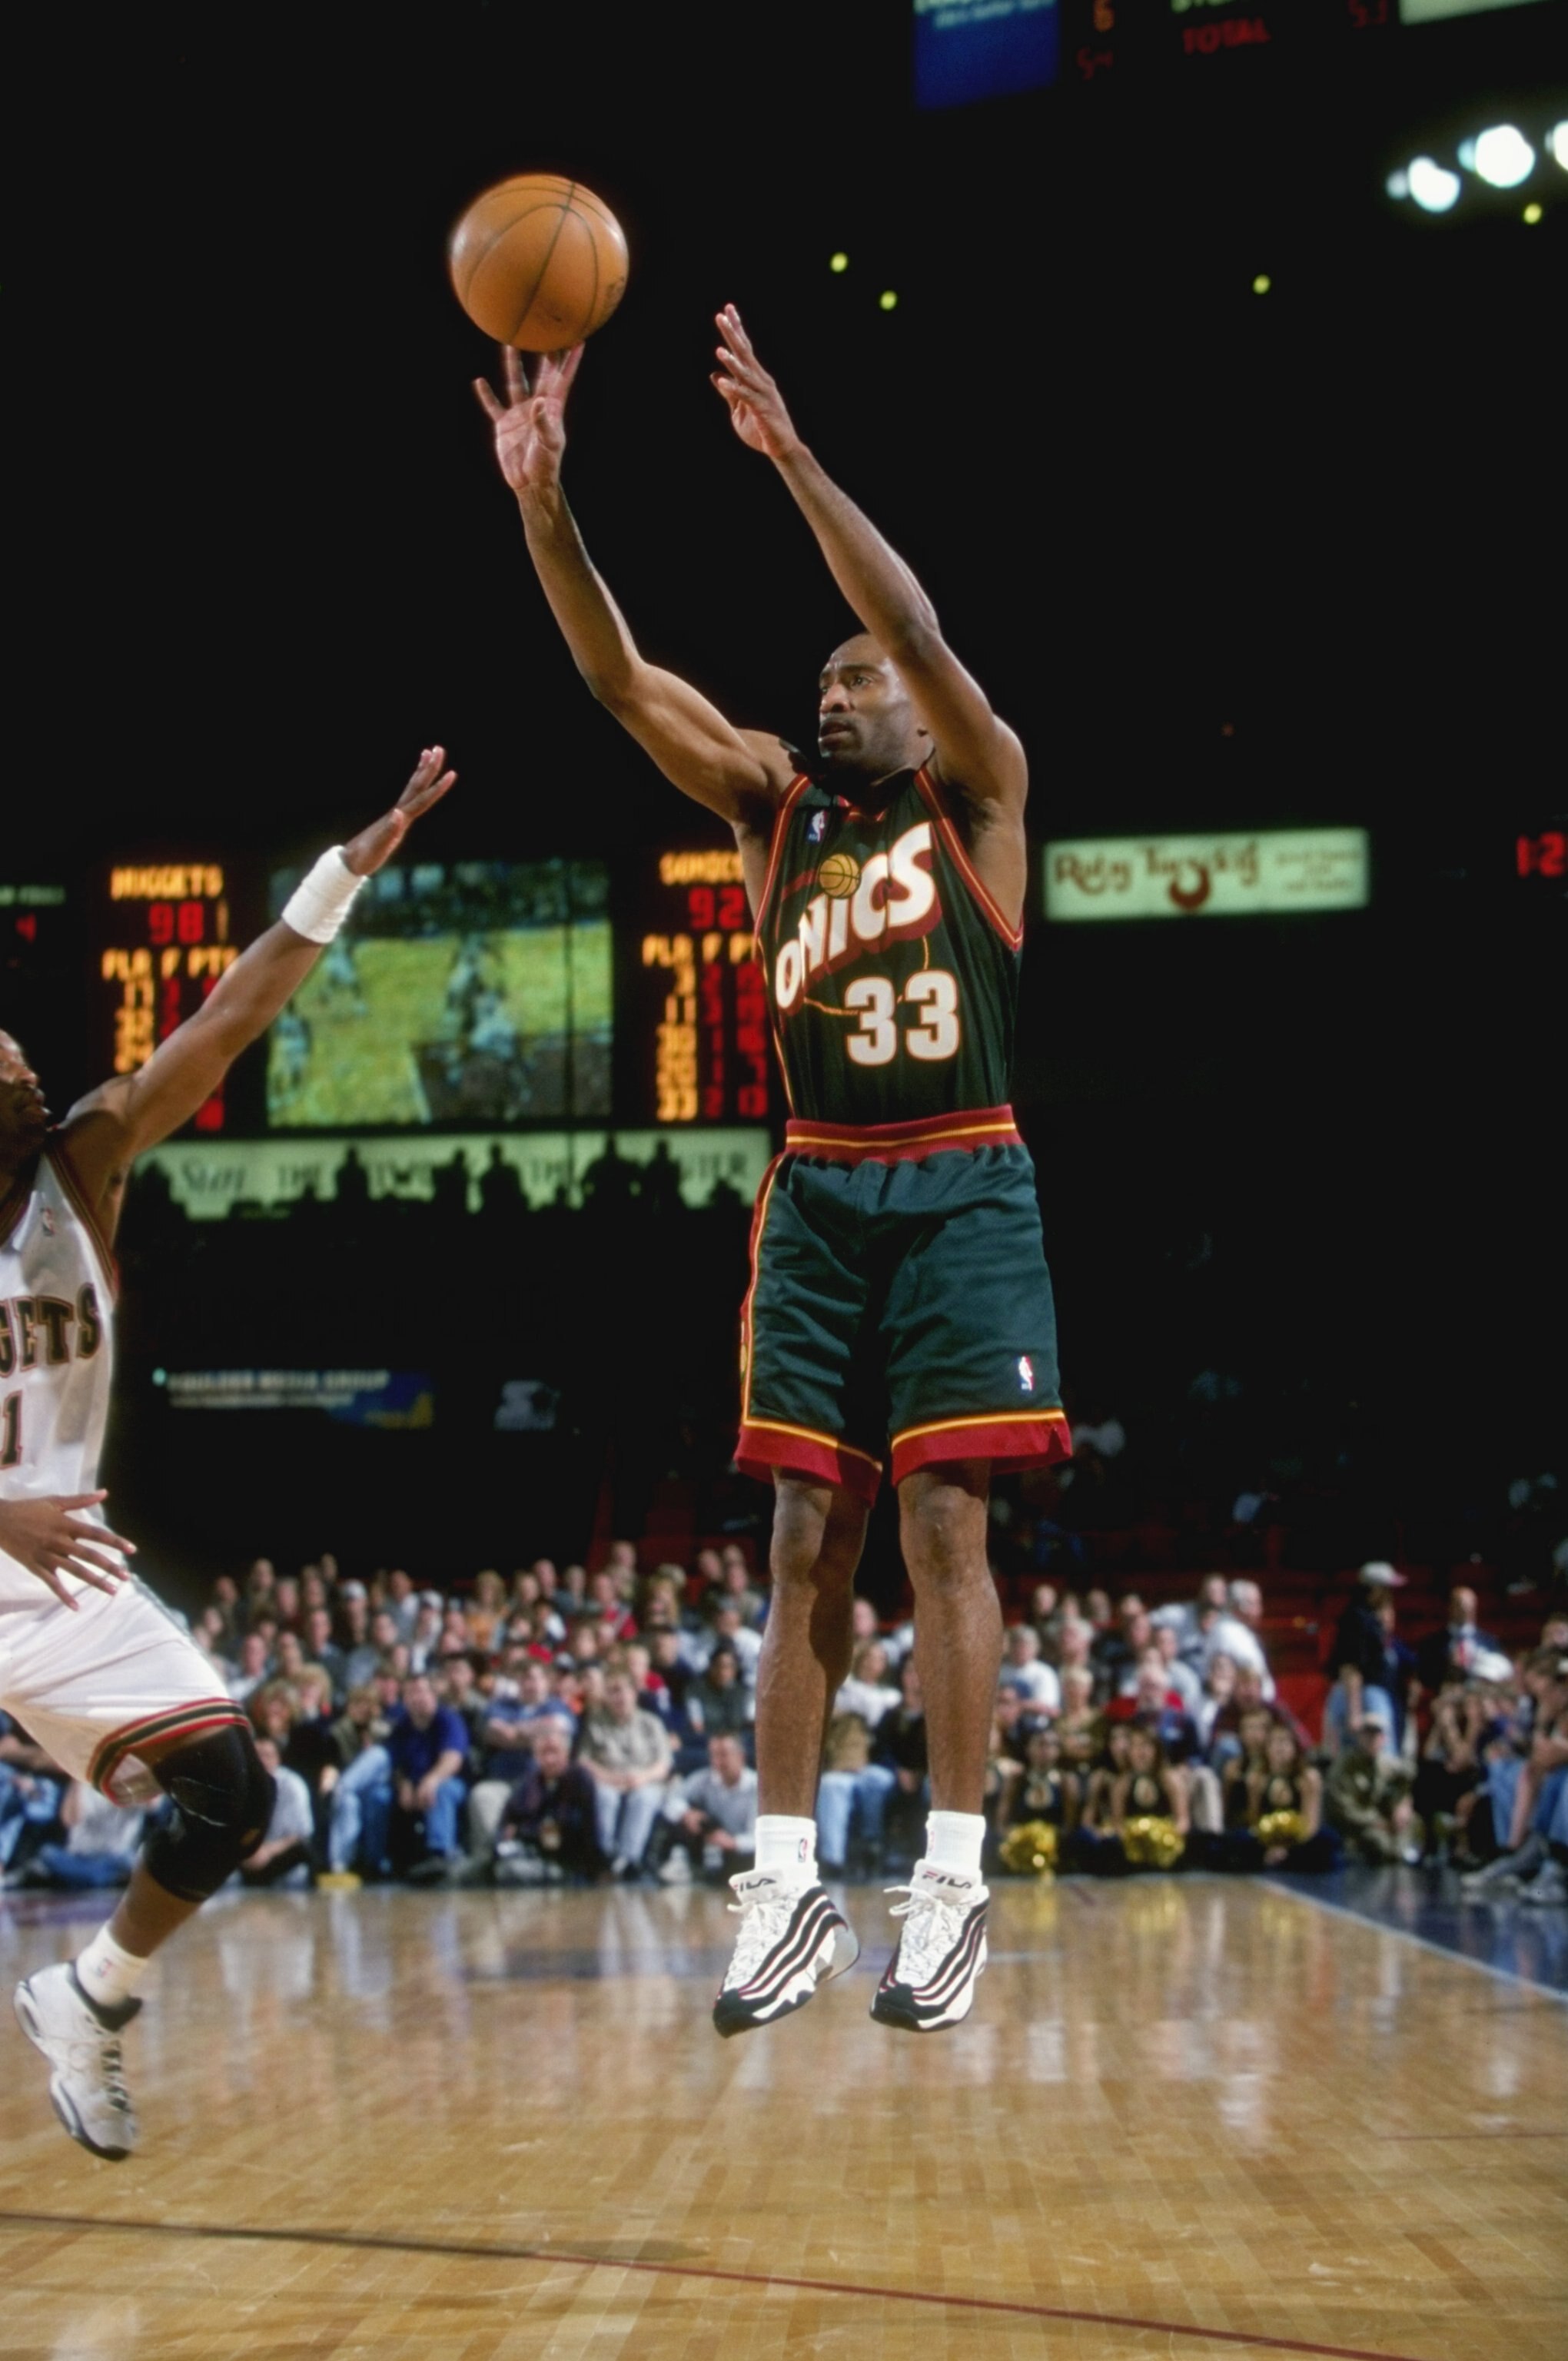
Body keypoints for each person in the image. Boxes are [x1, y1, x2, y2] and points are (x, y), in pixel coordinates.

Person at [478, 310, 1068, 2037]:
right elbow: (617, 679)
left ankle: (949, 1883)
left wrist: (793, 460)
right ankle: (784, 1875)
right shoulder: (768, 811)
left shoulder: (985, 794)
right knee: (806, 1533)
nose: (835, 691)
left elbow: (917, 623)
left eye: (857, 679)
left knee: (946, 1525)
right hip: (818, 1188)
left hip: (962, 1175)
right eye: (823, 682)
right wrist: (544, 505)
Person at [2, 748, 454, 2157]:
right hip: (18, 1542)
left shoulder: (82, 1161)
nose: (26, 1060)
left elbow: (229, 1014)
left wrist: (349, 867)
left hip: (56, 1574)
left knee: (238, 1791)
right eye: (0, 1059)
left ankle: (91, 1993)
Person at [655, 1732, 759, 1883]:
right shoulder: (704, 1779)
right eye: (713, 1755)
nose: (717, 1762)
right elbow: (671, 1801)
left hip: (745, 1856)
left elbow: (759, 1839)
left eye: (723, 1755)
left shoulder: (757, 1788)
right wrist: (687, 1814)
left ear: (741, 1757)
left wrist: (732, 1842)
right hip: (712, 1845)